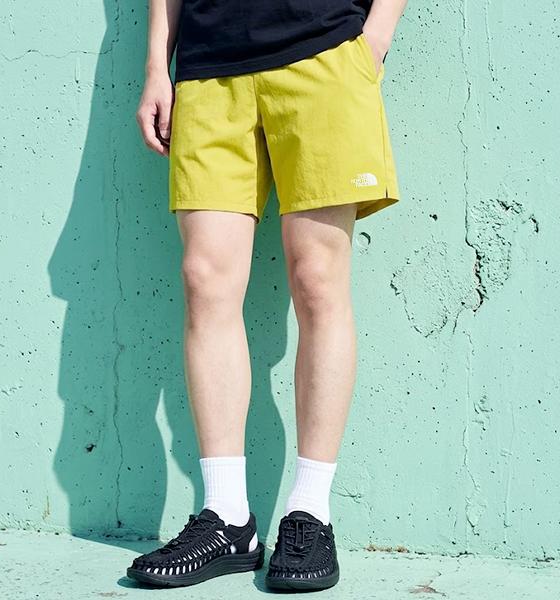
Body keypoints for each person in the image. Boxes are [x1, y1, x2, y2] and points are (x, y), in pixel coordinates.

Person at [127, 0, 407, 591]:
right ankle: (228, 517)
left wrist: (376, 38)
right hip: (208, 70)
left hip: (324, 54)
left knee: (317, 279)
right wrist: (157, 65)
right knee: (205, 278)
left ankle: (310, 511)